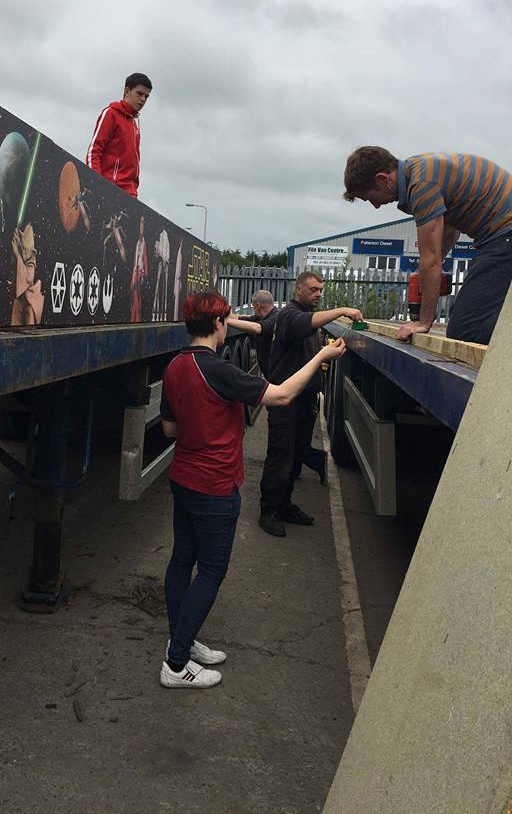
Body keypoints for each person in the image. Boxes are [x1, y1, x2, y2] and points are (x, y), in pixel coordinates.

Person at [159, 290, 346, 688]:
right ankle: (175, 665)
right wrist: (320, 357)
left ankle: (182, 639)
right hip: (214, 485)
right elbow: (282, 395)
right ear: (216, 324)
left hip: (184, 478)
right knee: (212, 571)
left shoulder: (175, 366)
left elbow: (170, 429)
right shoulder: (220, 370)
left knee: (182, 560)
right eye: (225, 321)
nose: (226, 327)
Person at [229, 272, 362, 537]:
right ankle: (269, 510)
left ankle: (284, 504)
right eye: (313, 289)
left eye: (321, 289)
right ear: (298, 289)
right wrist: (342, 310)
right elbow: (305, 323)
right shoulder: (289, 315)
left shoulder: (304, 316)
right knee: (281, 456)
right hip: (285, 402)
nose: (318, 293)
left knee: (296, 455)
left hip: (304, 399)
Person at [343, 147, 512, 344]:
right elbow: (449, 231)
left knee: (466, 329)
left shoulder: (422, 185)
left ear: (382, 179)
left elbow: (431, 260)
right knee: (475, 316)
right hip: (499, 237)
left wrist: (423, 322)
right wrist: (425, 273)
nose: (376, 205)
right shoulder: (419, 170)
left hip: (504, 236)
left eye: (372, 197)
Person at [86, 73, 152, 198]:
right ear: (127, 91)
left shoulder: (134, 124)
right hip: (109, 189)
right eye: (139, 94)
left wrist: (134, 191)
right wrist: (96, 184)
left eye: (146, 96)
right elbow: (94, 151)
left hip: (130, 195)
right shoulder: (110, 114)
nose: (143, 99)